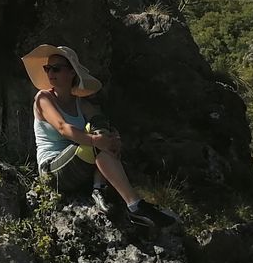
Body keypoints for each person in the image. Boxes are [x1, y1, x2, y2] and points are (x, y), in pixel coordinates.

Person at [23, 43, 178, 228]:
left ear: (72, 73)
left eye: (56, 68)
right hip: (53, 171)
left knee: (102, 130)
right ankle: (129, 203)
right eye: (47, 68)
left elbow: (101, 125)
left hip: (80, 165)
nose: (50, 73)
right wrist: (96, 140)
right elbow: (63, 128)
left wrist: (111, 139)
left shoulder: (83, 105)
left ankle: (111, 194)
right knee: (96, 141)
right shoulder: (43, 98)